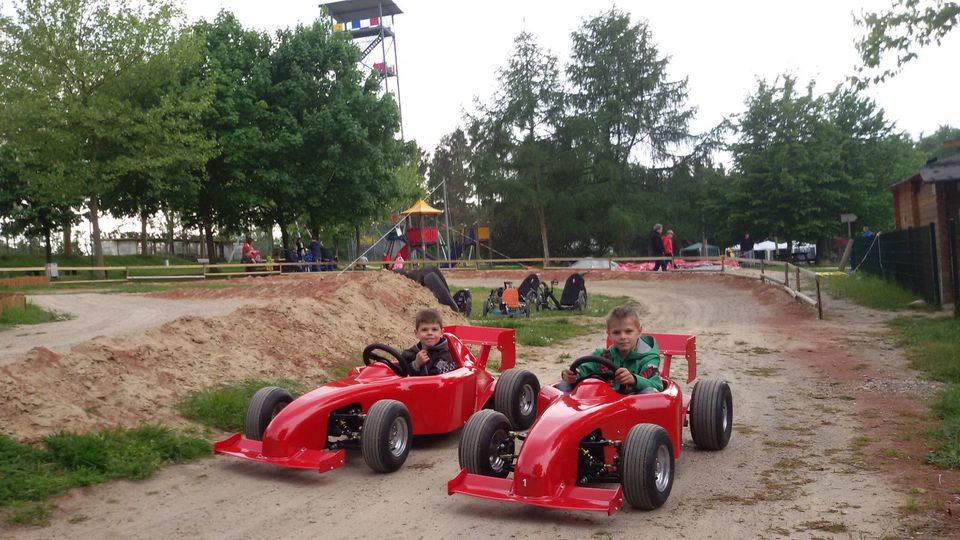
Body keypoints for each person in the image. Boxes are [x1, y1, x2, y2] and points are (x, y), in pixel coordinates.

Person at [560, 305, 663, 394]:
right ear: (609, 334)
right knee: (565, 384)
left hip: (634, 407)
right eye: (617, 332)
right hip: (607, 406)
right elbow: (582, 368)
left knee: (650, 392)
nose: (623, 337)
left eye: (628, 331)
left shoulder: (649, 358)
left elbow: (657, 385)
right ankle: (563, 415)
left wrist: (634, 379)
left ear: (639, 331)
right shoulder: (603, 356)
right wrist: (570, 373)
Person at [402, 308, 456, 376]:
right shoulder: (412, 352)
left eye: (434, 329)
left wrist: (417, 365)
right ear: (416, 333)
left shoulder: (444, 357)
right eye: (424, 330)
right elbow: (399, 371)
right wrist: (415, 364)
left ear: (442, 333)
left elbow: (433, 381)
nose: (430, 333)